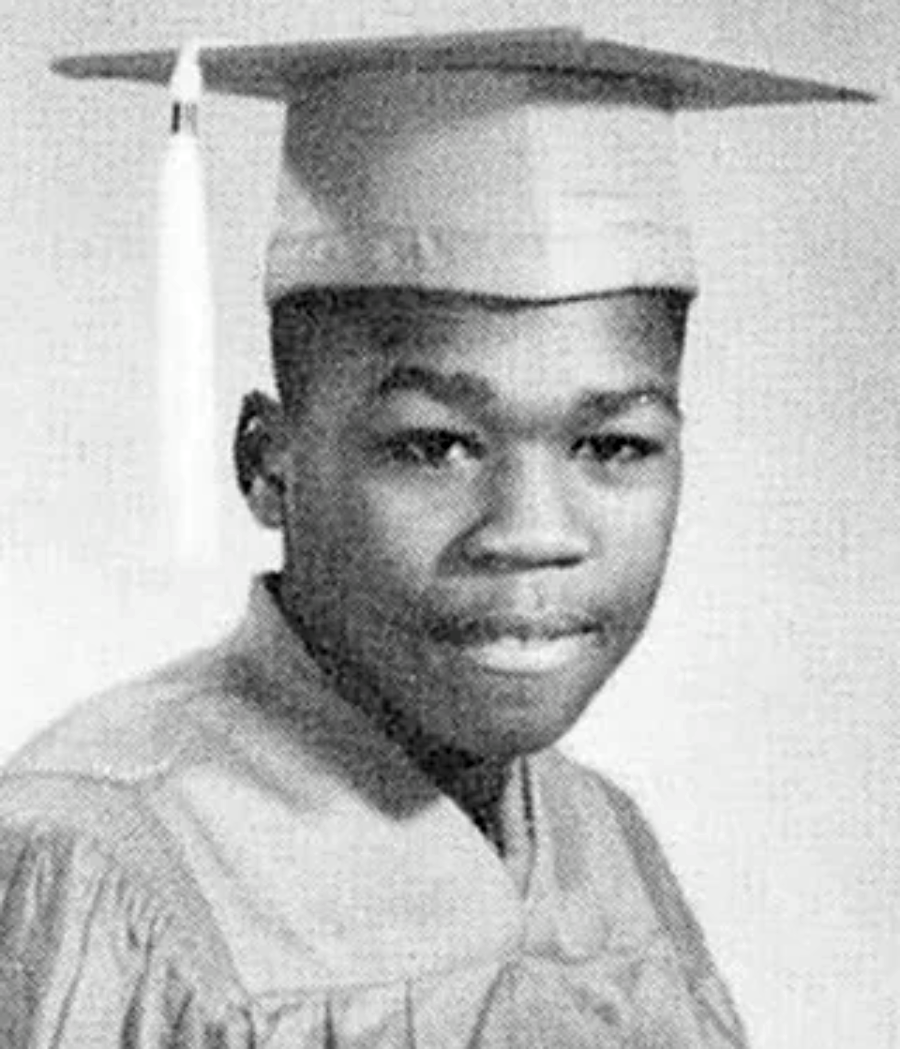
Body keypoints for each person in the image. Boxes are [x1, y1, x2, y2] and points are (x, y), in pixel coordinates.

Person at [0, 27, 871, 1048]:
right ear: (269, 461)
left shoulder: (600, 837)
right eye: (434, 445)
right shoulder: (98, 862)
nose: (534, 532)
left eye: (614, 443)